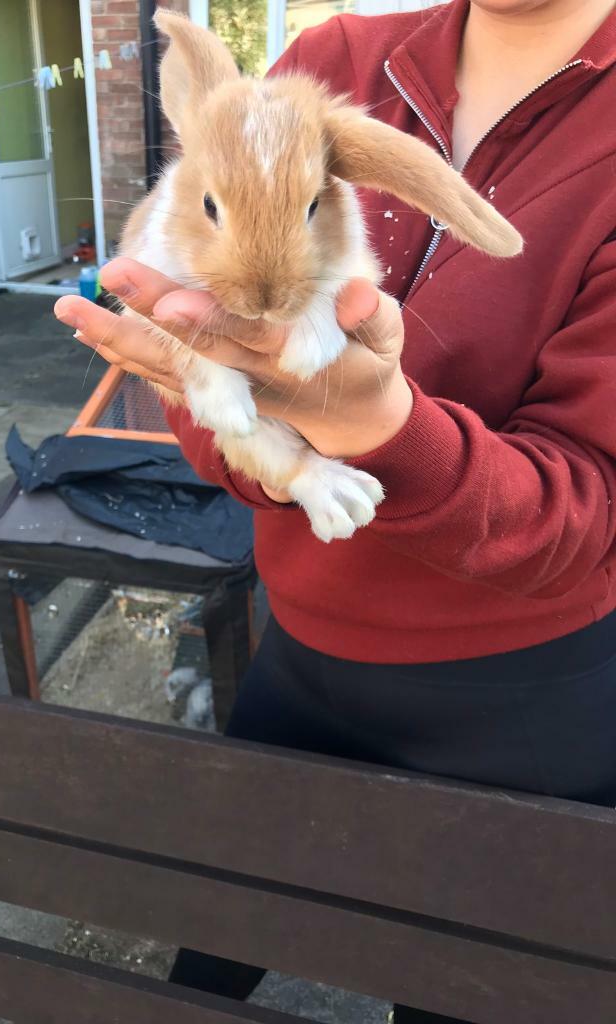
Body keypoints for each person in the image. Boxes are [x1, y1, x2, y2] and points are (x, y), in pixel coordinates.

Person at [55, 0, 616, 1020]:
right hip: (307, 651)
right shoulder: (331, 60)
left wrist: (381, 432)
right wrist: (266, 449)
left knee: (463, 984)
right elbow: (198, 330)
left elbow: (587, 508)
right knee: (220, 940)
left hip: (526, 700)